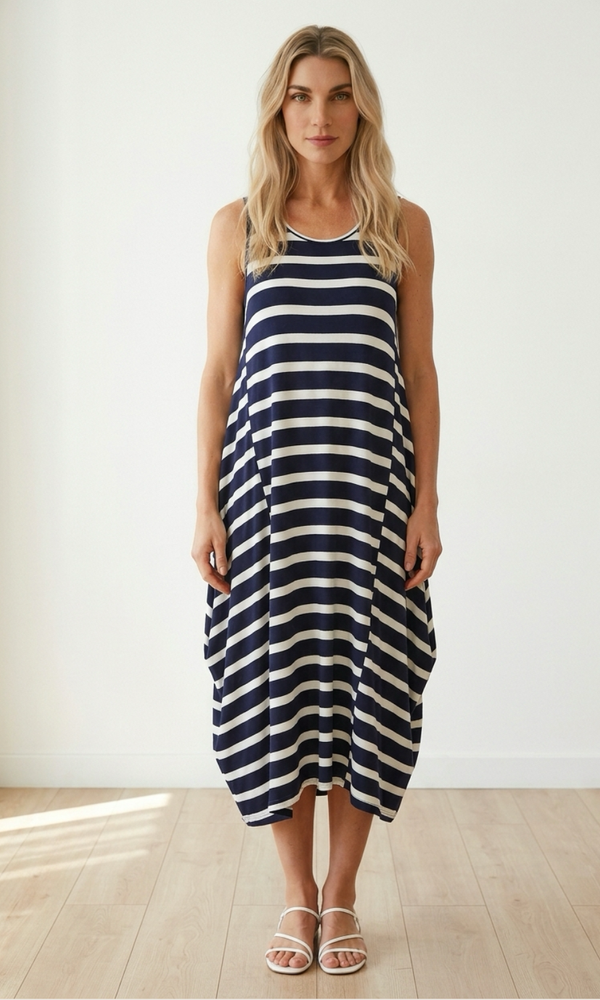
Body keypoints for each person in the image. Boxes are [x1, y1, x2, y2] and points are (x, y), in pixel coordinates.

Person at [191, 24, 442, 976]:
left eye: (338, 95)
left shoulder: (403, 225)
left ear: (361, 107)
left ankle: (343, 897)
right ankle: (296, 896)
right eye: (301, 95)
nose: (320, 115)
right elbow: (218, 373)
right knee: (274, 696)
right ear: (277, 108)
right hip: (266, 502)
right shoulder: (240, 224)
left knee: (373, 694)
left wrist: (425, 504)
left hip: (373, 499)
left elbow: (418, 374)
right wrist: (205, 504)